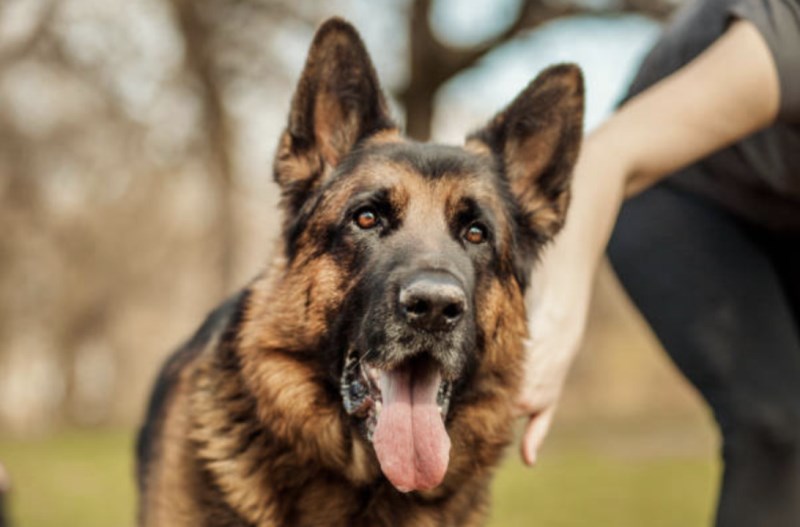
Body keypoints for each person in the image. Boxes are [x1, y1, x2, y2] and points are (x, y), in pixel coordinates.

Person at [516, 0, 800, 524]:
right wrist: (552, 320)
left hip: (782, 204)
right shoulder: (786, 37)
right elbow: (604, 157)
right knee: (778, 421)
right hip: (666, 188)